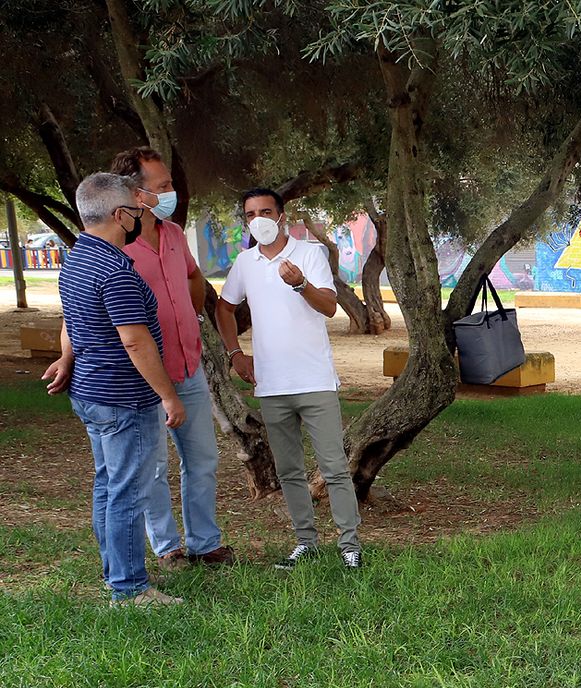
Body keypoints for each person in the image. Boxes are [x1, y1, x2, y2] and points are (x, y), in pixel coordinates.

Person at [42, 173, 187, 606]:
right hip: (123, 398)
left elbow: (71, 321)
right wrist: (168, 395)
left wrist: (68, 357)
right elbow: (135, 340)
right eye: (138, 212)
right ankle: (129, 589)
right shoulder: (114, 269)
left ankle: (116, 573)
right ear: (121, 215)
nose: (142, 219)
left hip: (92, 394)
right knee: (127, 491)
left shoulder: (76, 258)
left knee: (108, 485)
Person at [217, 187, 363, 569]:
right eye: (251, 214)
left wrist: (300, 284)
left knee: (333, 466)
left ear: (282, 216)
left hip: (314, 380)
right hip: (272, 384)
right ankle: (306, 542)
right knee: (289, 470)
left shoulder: (309, 253)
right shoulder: (246, 262)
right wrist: (234, 353)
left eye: (266, 211)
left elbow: (330, 307)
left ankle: (350, 546)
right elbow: (224, 308)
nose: (259, 219)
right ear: (246, 221)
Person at [106, 145, 234, 569]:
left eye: (170, 184)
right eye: (162, 186)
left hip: (189, 367)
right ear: (136, 194)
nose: (171, 192)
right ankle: (168, 548)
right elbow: (81, 306)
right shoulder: (116, 248)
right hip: (145, 377)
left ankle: (204, 542)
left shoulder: (175, 234)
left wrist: (191, 316)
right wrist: (68, 355)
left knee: (202, 460)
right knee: (153, 468)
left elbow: (194, 277)